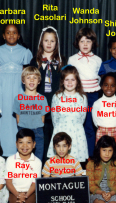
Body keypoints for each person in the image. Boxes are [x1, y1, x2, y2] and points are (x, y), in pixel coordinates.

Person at [0, 24, 33, 157]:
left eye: (14, 32)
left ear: (18, 35)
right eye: (8, 32)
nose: (11, 35)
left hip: (18, 87)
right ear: (3, 35)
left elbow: (26, 71)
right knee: (2, 117)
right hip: (2, 87)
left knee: (17, 116)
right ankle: (1, 150)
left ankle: (19, 150)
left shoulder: (25, 51)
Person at [30, 26, 65, 162]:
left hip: (56, 105)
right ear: (41, 42)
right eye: (46, 40)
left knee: (55, 137)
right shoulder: (35, 62)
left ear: (56, 44)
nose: (49, 44)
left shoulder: (62, 62)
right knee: (40, 138)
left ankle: (55, 167)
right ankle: (40, 167)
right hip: (39, 106)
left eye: (52, 41)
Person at [68, 27, 102, 156]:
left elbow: (99, 79)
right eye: (82, 41)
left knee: (90, 127)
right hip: (77, 96)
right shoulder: (72, 59)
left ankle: (89, 157)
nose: (85, 44)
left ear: (93, 43)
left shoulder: (98, 60)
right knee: (76, 126)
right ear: (77, 43)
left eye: (88, 41)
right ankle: (74, 156)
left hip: (93, 97)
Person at [46, 65, 89, 163]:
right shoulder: (57, 97)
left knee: (75, 164)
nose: (70, 83)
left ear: (77, 81)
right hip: (60, 131)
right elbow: (54, 118)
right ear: (62, 81)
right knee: (59, 165)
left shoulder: (82, 98)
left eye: (73, 80)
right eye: (67, 79)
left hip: (77, 134)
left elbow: (82, 118)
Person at [13, 66, 48, 161]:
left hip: (38, 131)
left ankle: (36, 175)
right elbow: (18, 117)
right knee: (23, 157)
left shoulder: (43, 99)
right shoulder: (18, 98)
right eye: (28, 77)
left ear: (39, 81)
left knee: (38, 158)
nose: (31, 80)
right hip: (23, 130)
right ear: (23, 81)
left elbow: (42, 118)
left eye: (35, 78)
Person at [92, 72, 116, 156]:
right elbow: (95, 121)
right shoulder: (97, 103)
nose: (109, 88)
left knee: (115, 155)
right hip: (101, 132)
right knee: (101, 156)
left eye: (112, 85)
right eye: (106, 85)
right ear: (102, 86)